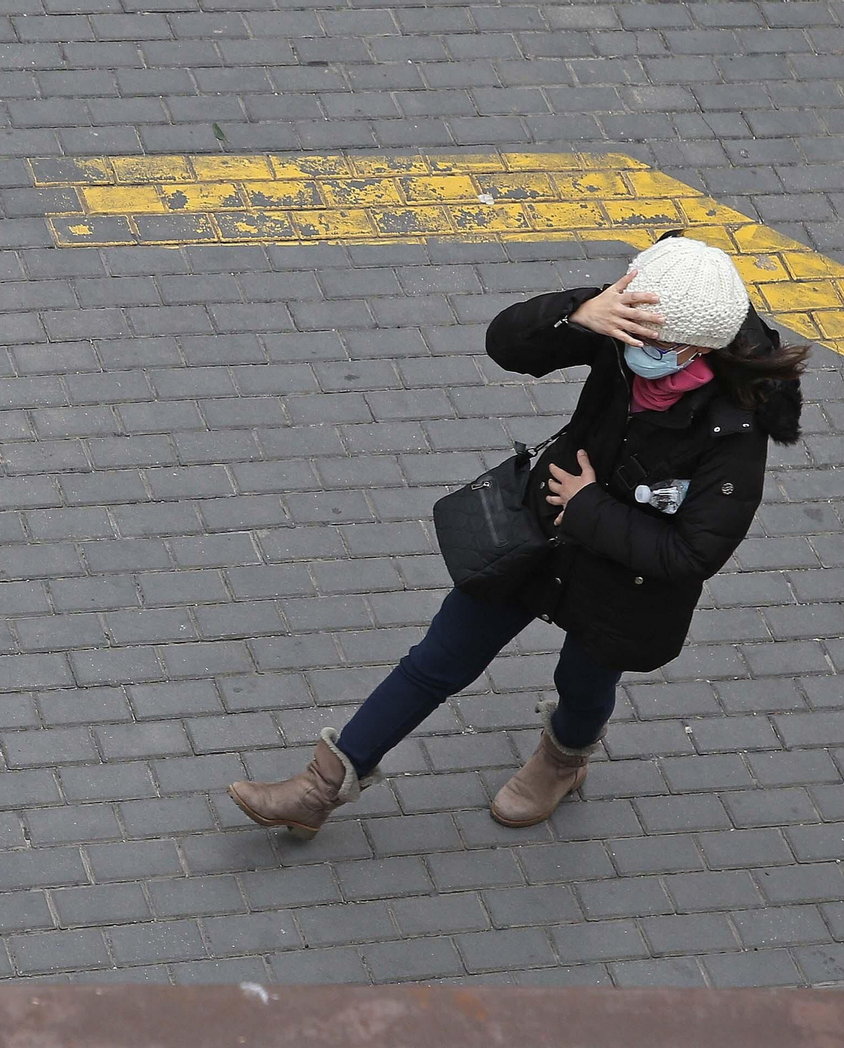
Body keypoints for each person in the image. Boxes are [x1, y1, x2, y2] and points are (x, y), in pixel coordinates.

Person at [228, 232, 807, 839]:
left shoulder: (736, 428)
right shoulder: (622, 332)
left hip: (625, 581)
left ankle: (563, 761)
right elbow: (506, 344)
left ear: (698, 348)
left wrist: (587, 508)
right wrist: (582, 312)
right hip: (540, 538)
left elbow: (693, 553)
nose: (639, 349)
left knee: (582, 682)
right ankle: (319, 789)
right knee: (441, 655)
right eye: (631, 328)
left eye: (657, 343)